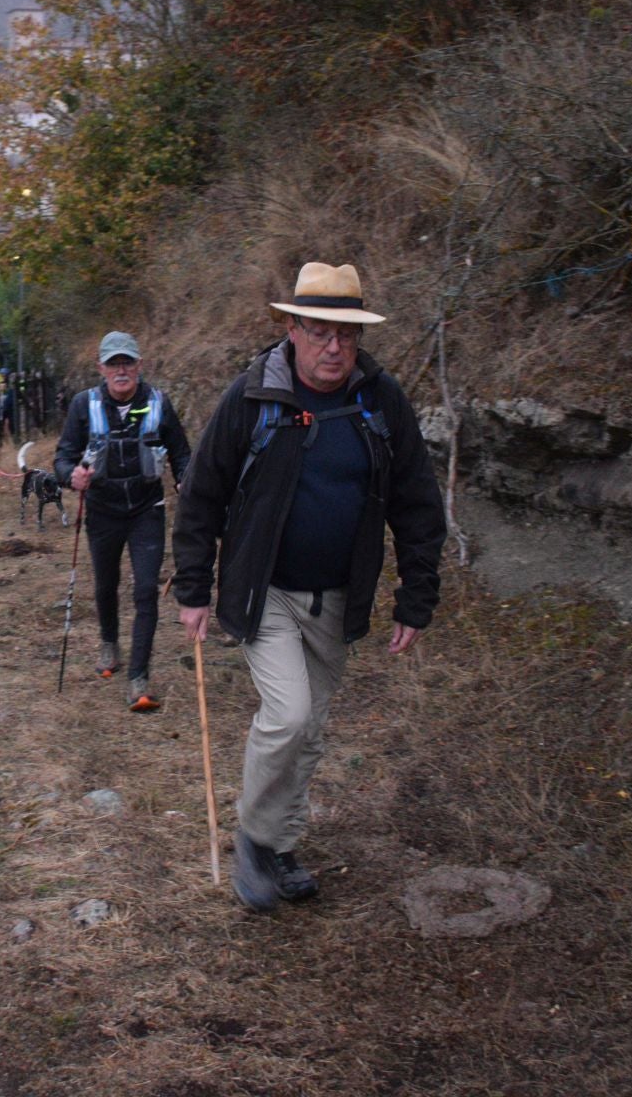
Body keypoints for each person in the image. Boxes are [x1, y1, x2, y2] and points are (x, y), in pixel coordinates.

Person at [172, 262, 446, 912]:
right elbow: (202, 494)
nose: (334, 348)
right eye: (320, 331)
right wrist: (192, 588)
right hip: (264, 590)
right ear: (292, 329)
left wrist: (417, 594)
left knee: (311, 730)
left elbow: (416, 503)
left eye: (346, 335)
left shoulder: (380, 402)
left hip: (337, 599)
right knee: (289, 714)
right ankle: (255, 841)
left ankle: (281, 845)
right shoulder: (253, 397)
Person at [54, 332, 192, 711]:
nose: (121, 370)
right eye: (113, 364)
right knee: (106, 584)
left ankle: (138, 677)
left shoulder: (157, 403)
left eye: (127, 363)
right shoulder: (85, 405)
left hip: (147, 508)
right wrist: (71, 476)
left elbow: (181, 452)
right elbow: (62, 457)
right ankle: (109, 643)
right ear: (101, 368)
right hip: (102, 508)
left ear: (139, 366)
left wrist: (185, 477)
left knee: (146, 590)